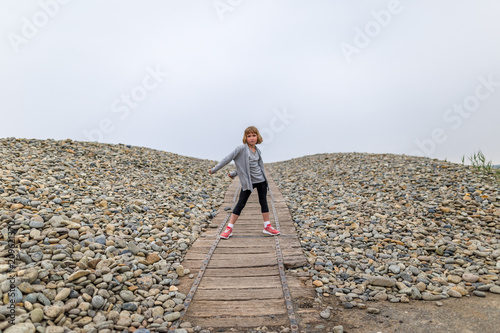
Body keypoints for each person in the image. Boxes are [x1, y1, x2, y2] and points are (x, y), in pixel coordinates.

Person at [208, 126, 280, 239]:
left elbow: (249, 166)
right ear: (245, 137)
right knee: (241, 203)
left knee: (264, 202)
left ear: (258, 137)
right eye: (249, 136)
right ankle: (229, 228)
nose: (252, 138)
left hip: (261, 181)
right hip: (249, 183)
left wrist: (234, 173)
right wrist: (214, 169)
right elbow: (228, 158)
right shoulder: (241, 149)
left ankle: (267, 226)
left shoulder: (258, 150)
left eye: (254, 135)